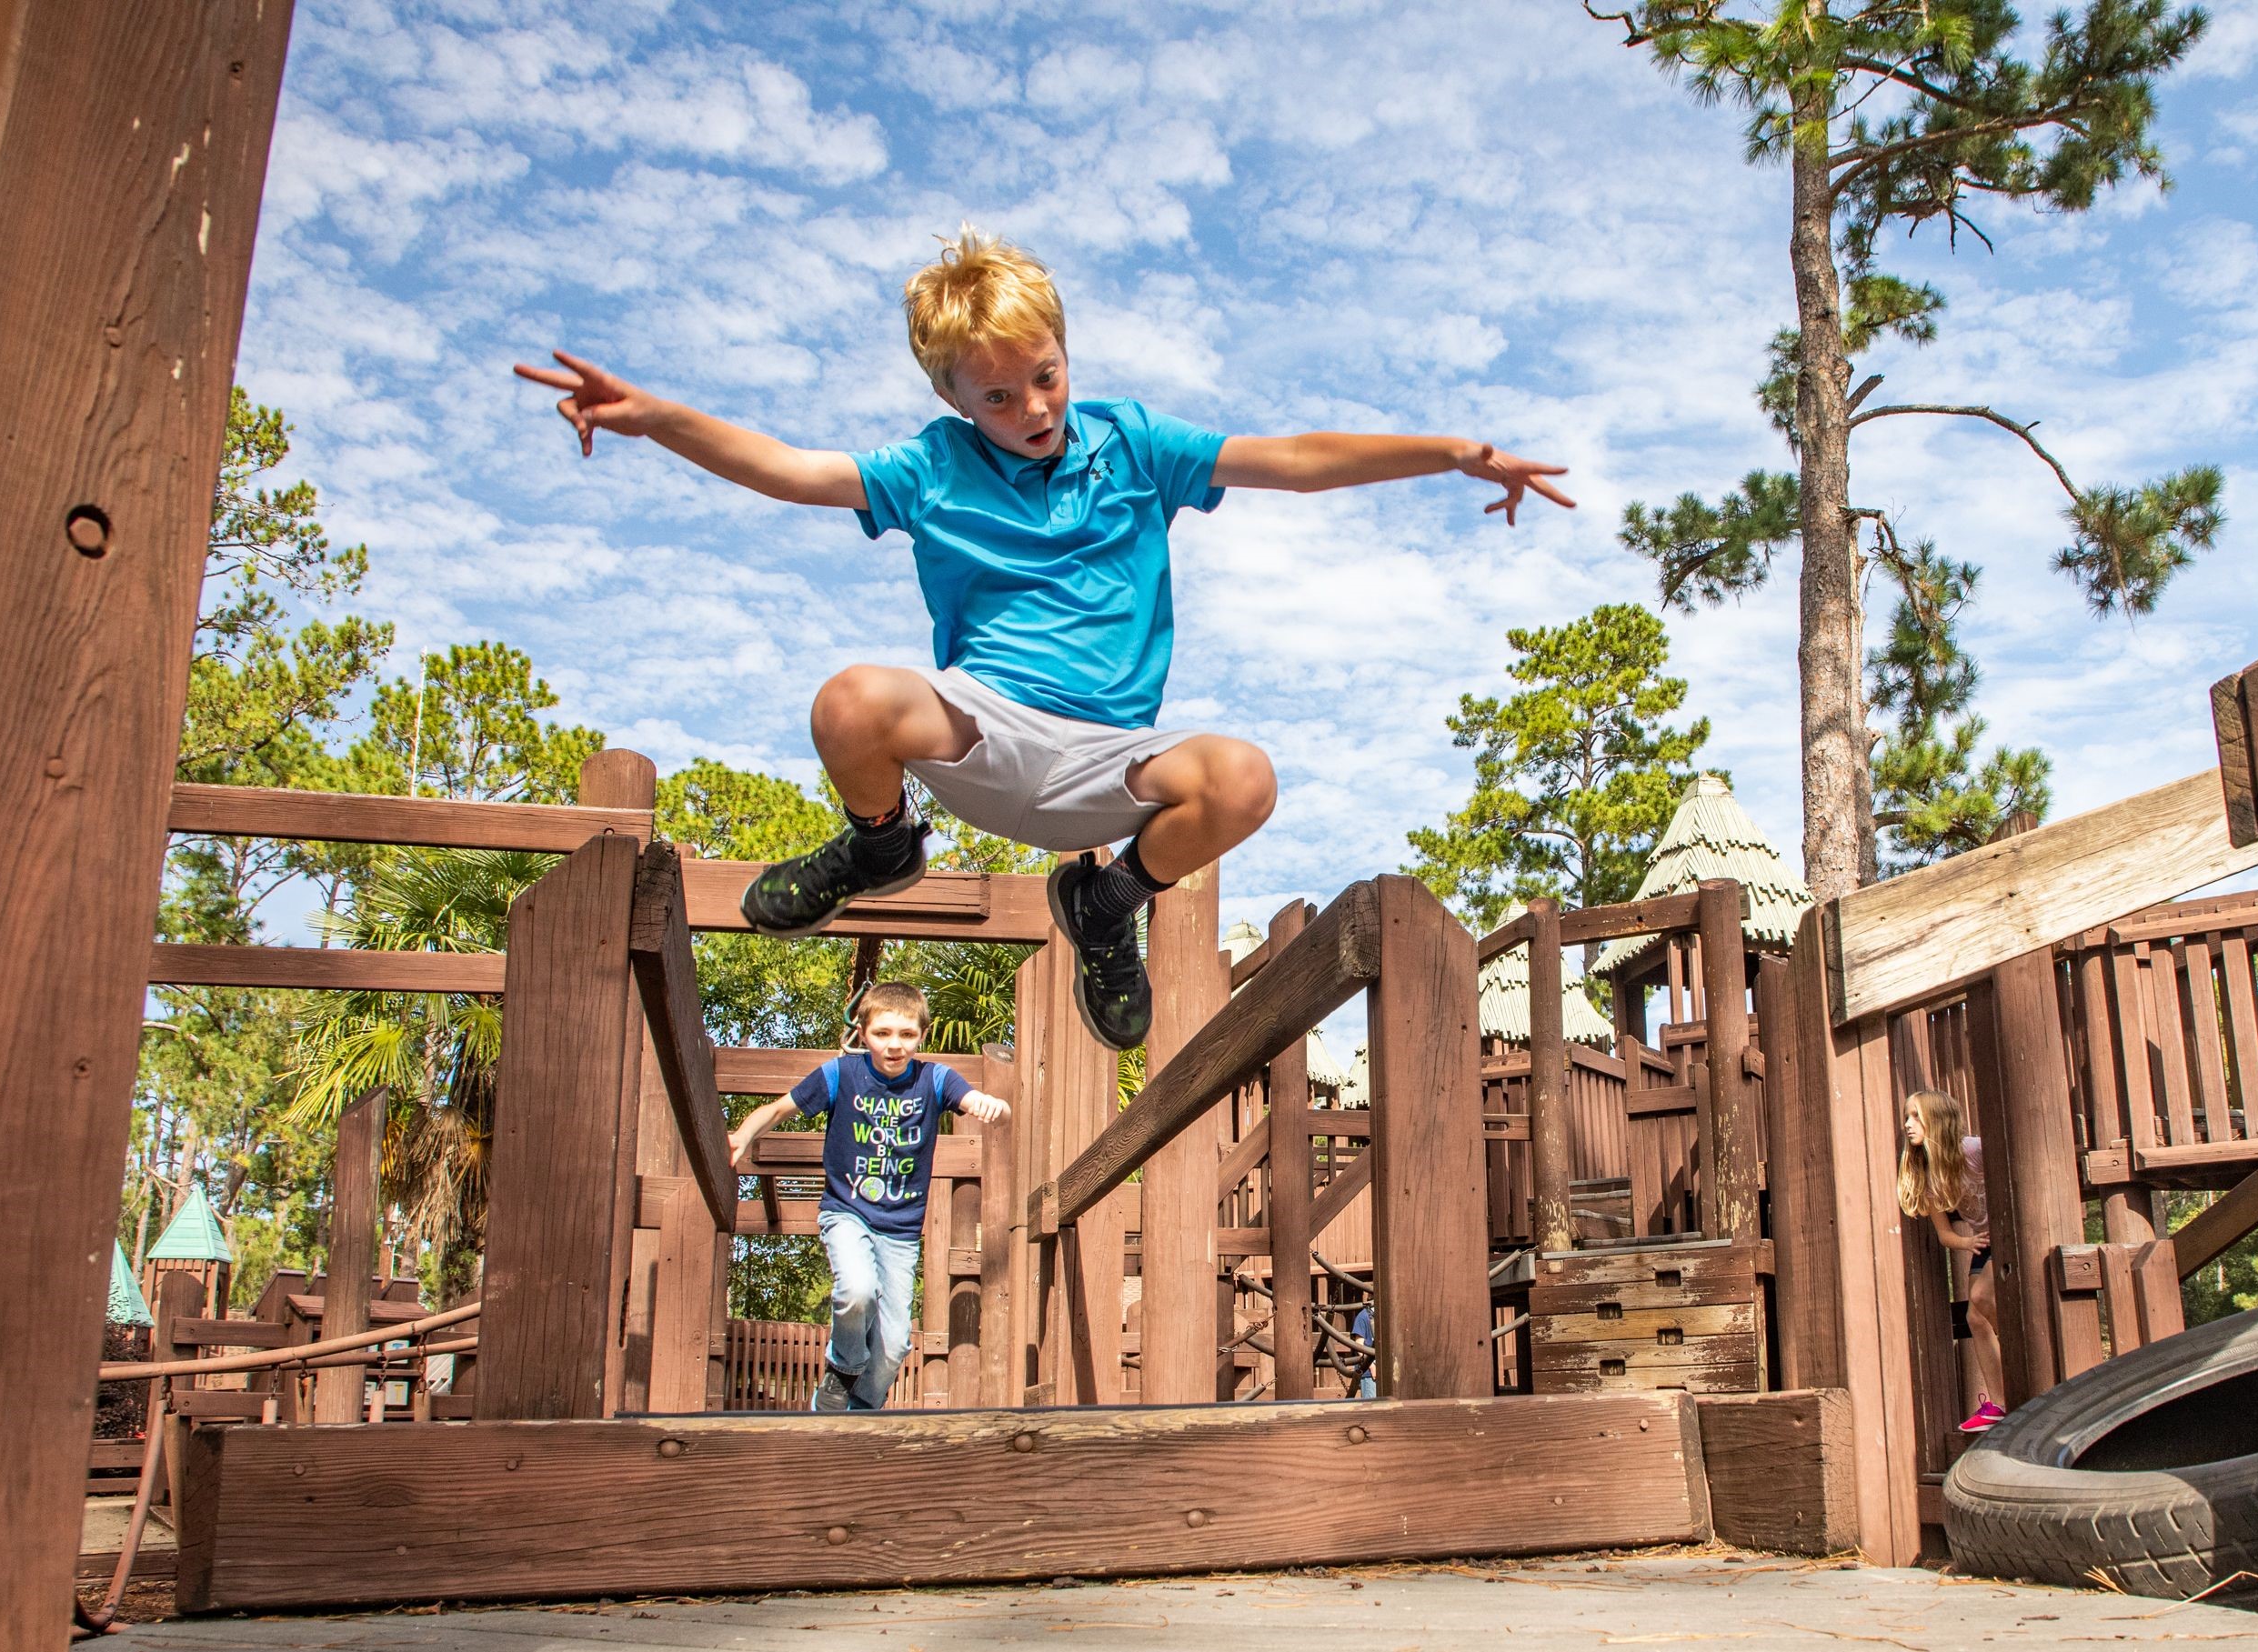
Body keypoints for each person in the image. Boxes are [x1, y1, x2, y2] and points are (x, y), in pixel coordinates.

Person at [514, 230, 1573, 1052]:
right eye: (997, 394)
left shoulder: (1135, 445)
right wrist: (662, 419)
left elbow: (1288, 456)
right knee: (850, 700)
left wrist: (1445, 451)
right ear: (950, 396)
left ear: (1067, 355)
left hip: (1111, 761)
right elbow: (792, 469)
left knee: (1243, 778)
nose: (1032, 406)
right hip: (983, 735)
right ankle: (879, 843)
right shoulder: (929, 466)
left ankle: (1105, 902)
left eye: (1046, 376)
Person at [727, 981, 1011, 1411]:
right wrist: (744, 1134)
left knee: (896, 1345)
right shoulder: (842, 1075)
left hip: (900, 1231)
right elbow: (779, 1109)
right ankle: (844, 1367)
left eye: (907, 1035)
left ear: (922, 1036)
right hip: (847, 1212)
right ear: (863, 1035)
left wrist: (994, 1106)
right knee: (856, 1290)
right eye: (882, 1034)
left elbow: (986, 1104)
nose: (894, 1045)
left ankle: (858, 1416)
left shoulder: (934, 1079)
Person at [1899, 1087, 2004, 1433]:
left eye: (1916, 1116)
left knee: (1980, 1298)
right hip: (1984, 1240)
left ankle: (2026, 1366)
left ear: (1938, 1120)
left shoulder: (1972, 1150)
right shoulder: (1928, 1176)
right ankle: (2000, 1403)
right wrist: (1969, 1241)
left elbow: (2010, 1164)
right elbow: (1945, 1236)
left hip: (2009, 1230)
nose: (1908, 1124)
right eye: (1906, 1117)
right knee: (1975, 1318)